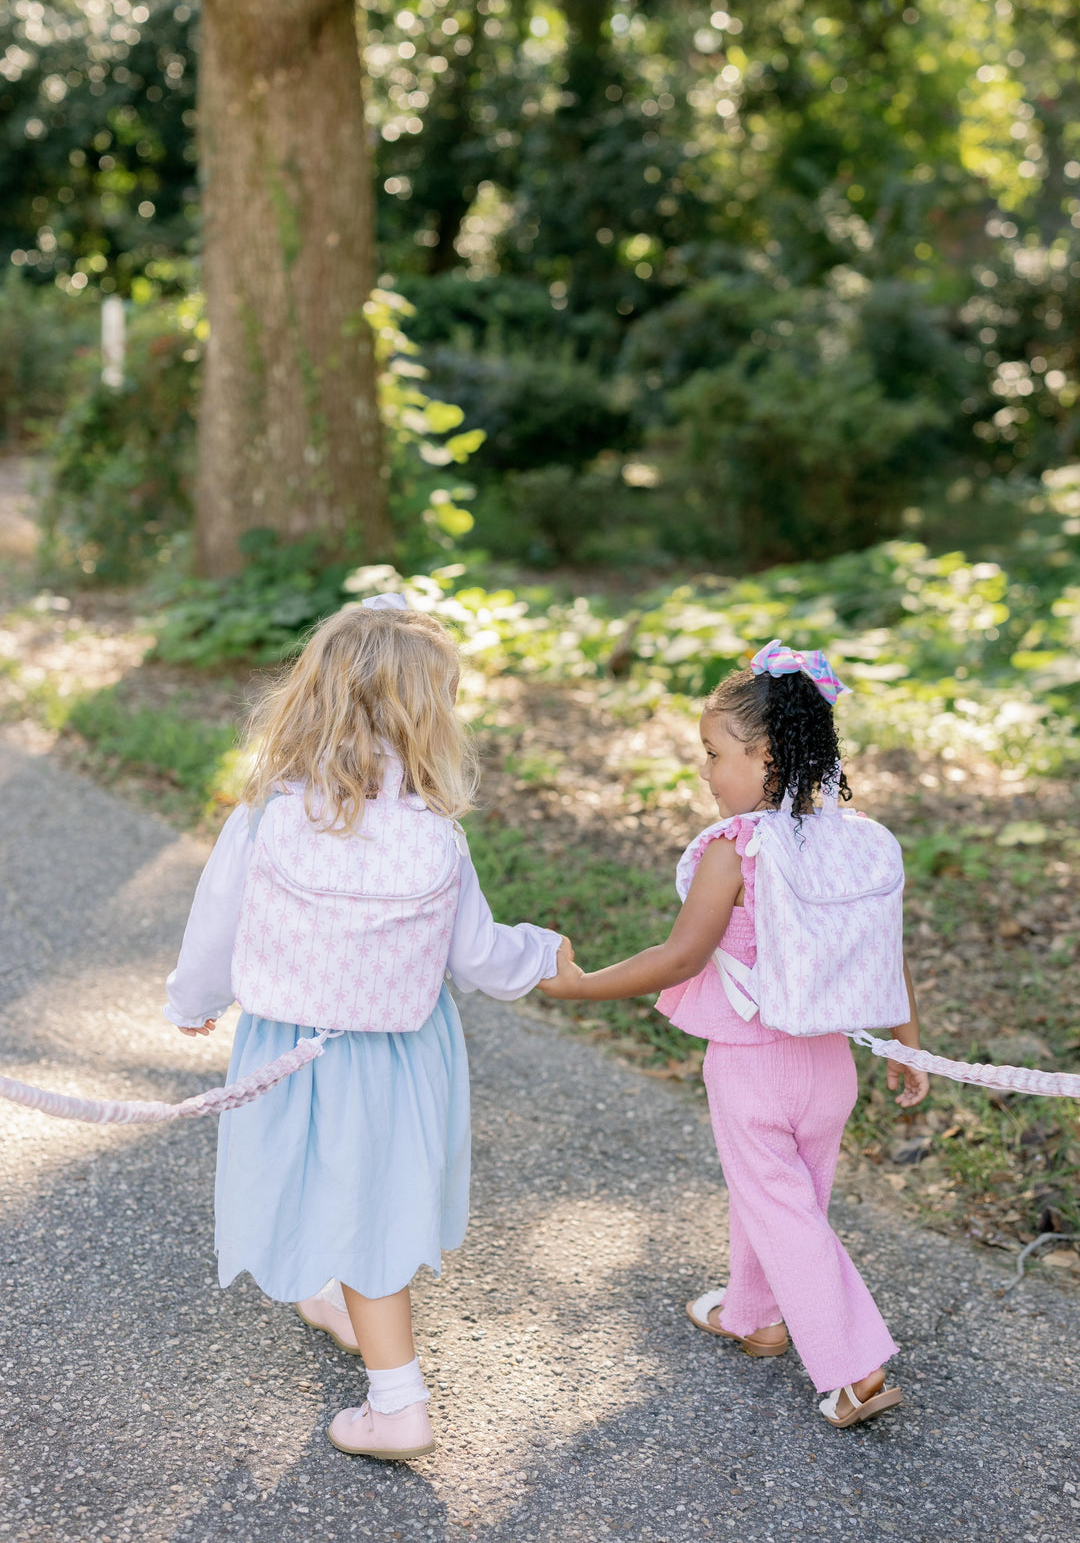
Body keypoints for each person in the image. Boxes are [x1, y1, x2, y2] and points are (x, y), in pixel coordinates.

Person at [164, 595, 566, 1460]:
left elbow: (216, 928)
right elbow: (482, 959)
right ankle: (334, 1296)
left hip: (290, 1051)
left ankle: (399, 1404)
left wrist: (193, 1001)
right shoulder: (436, 839)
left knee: (321, 1183)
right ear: (432, 717)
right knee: (364, 1189)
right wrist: (544, 955)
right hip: (400, 1058)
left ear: (311, 698)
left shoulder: (269, 817)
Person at [541, 642, 928, 1428]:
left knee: (784, 1211)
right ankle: (756, 1317)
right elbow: (886, 952)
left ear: (770, 757)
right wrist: (909, 1042)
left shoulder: (737, 850)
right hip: (832, 1068)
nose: (706, 774)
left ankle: (856, 1367)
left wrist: (583, 984)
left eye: (714, 755)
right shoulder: (851, 840)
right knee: (791, 1200)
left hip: (754, 1069)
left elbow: (680, 955)